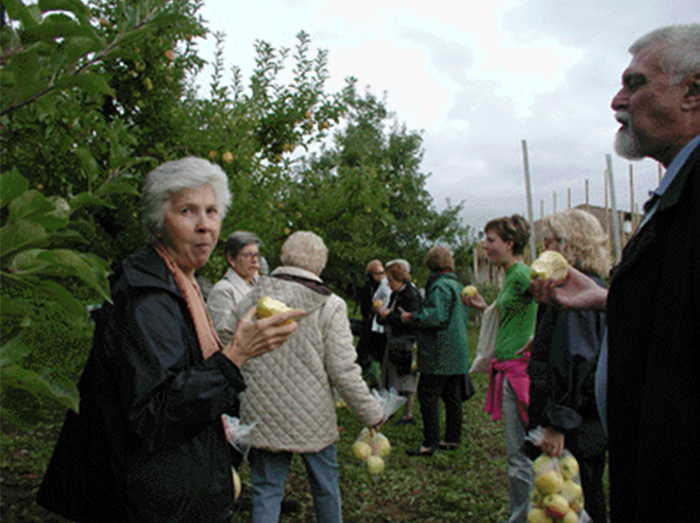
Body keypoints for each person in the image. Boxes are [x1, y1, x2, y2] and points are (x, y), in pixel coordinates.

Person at [36, 158, 303, 523]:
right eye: (187, 211)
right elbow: (156, 412)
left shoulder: (181, 282)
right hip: (141, 500)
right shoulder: (148, 297)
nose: (205, 225)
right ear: (159, 223)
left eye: (211, 211)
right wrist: (236, 356)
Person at [530, 24, 700, 522]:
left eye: (635, 82)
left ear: (693, 92)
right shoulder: (676, 189)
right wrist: (609, 298)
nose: (616, 100)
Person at [230, 231, 385, 523]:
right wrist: (372, 412)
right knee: (326, 488)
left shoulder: (256, 293)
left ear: (284, 258)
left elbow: (229, 337)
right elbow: (343, 370)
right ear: (320, 266)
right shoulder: (331, 304)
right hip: (312, 415)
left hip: (262, 410)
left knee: (266, 491)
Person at [526, 210, 609, 522]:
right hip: (580, 421)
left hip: (575, 425)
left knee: (576, 498)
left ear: (573, 245)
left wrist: (557, 422)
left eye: (553, 239)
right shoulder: (575, 291)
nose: (546, 246)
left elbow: (578, 360)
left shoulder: (579, 295)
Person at [463, 215, 537, 523]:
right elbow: (514, 315)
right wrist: (484, 307)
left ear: (509, 244)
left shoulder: (521, 273)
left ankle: (524, 517)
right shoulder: (511, 275)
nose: (484, 245)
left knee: (519, 455)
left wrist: (540, 338)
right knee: (520, 451)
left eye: (490, 240)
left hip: (519, 372)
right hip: (508, 370)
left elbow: (549, 301)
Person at [400, 246, 470, 456]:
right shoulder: (458, 285)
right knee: (452, 397)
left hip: (439, 352)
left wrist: (411, 317)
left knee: (428, 395)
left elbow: (435, 317)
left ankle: (430, 442)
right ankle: (452, 438)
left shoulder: (440, 286)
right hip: (458, 351)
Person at [377, 259, 422, 425]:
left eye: (391, 280)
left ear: (400, 278)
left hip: (406, 340)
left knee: (405, 378)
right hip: (395, 338)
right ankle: (391, 408)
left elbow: (410, 320)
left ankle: (408, 414)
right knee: (392, 376)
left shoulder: (411, 295)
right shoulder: (397, 294)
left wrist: (389, 316)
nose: (388, 284)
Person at [207, 230, 262, 345]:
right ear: (231, 259)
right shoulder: (223, 290)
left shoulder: (261, 285)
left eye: (256, 255)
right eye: (248, 255)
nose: (254, 260)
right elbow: (222, 335)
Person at [354, 259, 388, 375]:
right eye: (381, 273)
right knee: (364, 358)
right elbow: (366, 309)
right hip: (370, 327)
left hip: (378, 328)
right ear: (373, 274)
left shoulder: (384, 287)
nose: (384, 276)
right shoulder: (368, 289)